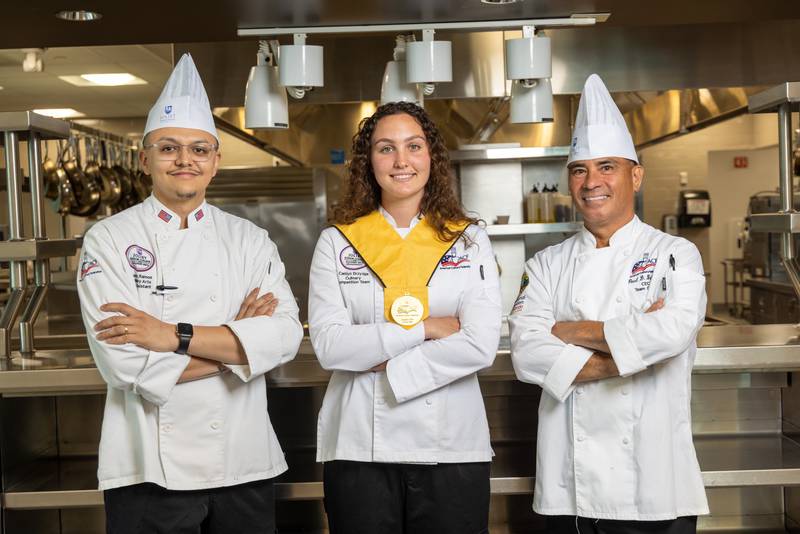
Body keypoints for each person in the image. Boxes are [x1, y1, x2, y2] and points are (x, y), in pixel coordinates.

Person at [77, 54, 303, 534]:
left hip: (243, 461)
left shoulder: (249, 238)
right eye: (169, 148)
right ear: (144, 159)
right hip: (146, 470)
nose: (185, 160)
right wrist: (236, 351)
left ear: (216, 162)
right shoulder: (109, 238)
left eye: (200, 149)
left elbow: (282, 337)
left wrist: (168, 335)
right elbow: (124, 365)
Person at [508, 74, 709, 534]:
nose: (591, 181)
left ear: (635, 176)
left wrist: (568, 330)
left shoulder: (675, 253)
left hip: (655, 487)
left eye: (606, 167)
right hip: (569, 492)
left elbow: (671, 332)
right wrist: (632, 349)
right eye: (580, 170)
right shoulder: (545, 264)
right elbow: (526, 353)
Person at [308, 101, 502, 534]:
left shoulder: (469, 241)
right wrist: (426, 329)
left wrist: (380, 360)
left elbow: (480, 343)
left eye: (413, 146)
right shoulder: (337, 243)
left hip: (452, 446)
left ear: (431, 157)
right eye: (385, 149)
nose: (401, 161)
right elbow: (330, 346)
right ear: (368, 162)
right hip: (359, 445)